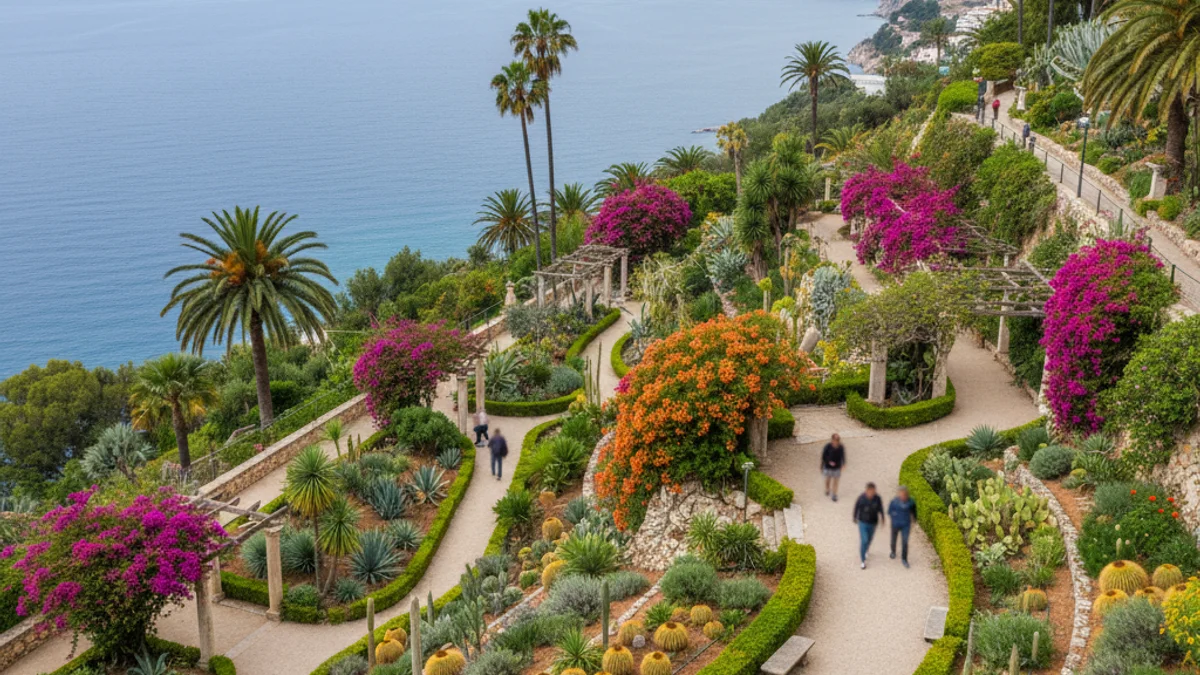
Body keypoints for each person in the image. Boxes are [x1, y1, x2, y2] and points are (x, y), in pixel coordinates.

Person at [852, 482, 885, 569]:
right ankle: (863, 560)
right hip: (863, 522)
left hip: (873, 522)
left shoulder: (877, 498)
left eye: (873, 491)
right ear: (866, 491)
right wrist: (855, 517)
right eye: (870, 491)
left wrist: (883, 518)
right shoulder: (861, 498)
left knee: (869, 539)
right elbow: (856, 507)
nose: (871, 493)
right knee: (864, 540)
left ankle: (866, 549)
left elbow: (880, 508)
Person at [888, 486, 918, 568]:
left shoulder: (911, 502)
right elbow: (890, 511)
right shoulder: (894, 502)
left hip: (906, 525)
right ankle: (893, 551)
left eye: (904, 495)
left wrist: (914, 519)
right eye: (901, 495)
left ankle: (904, 559)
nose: (903, 497)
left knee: (905, 542)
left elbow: (914, 511)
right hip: (895, 524)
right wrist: (894, 519)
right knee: (893, 539)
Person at [820, 434, 846, 502]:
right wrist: (825, 464)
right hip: (828, 466)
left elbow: (843, 456)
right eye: (835, 440)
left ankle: (834, 494)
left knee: (836, 481)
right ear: (832, 440)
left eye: (837, 440)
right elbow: (823, 456)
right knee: (828, 480)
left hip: (837, 467)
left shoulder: (841, 447)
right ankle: (827, 489)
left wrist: (843, 464)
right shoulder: (828, 446)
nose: (836, 441)